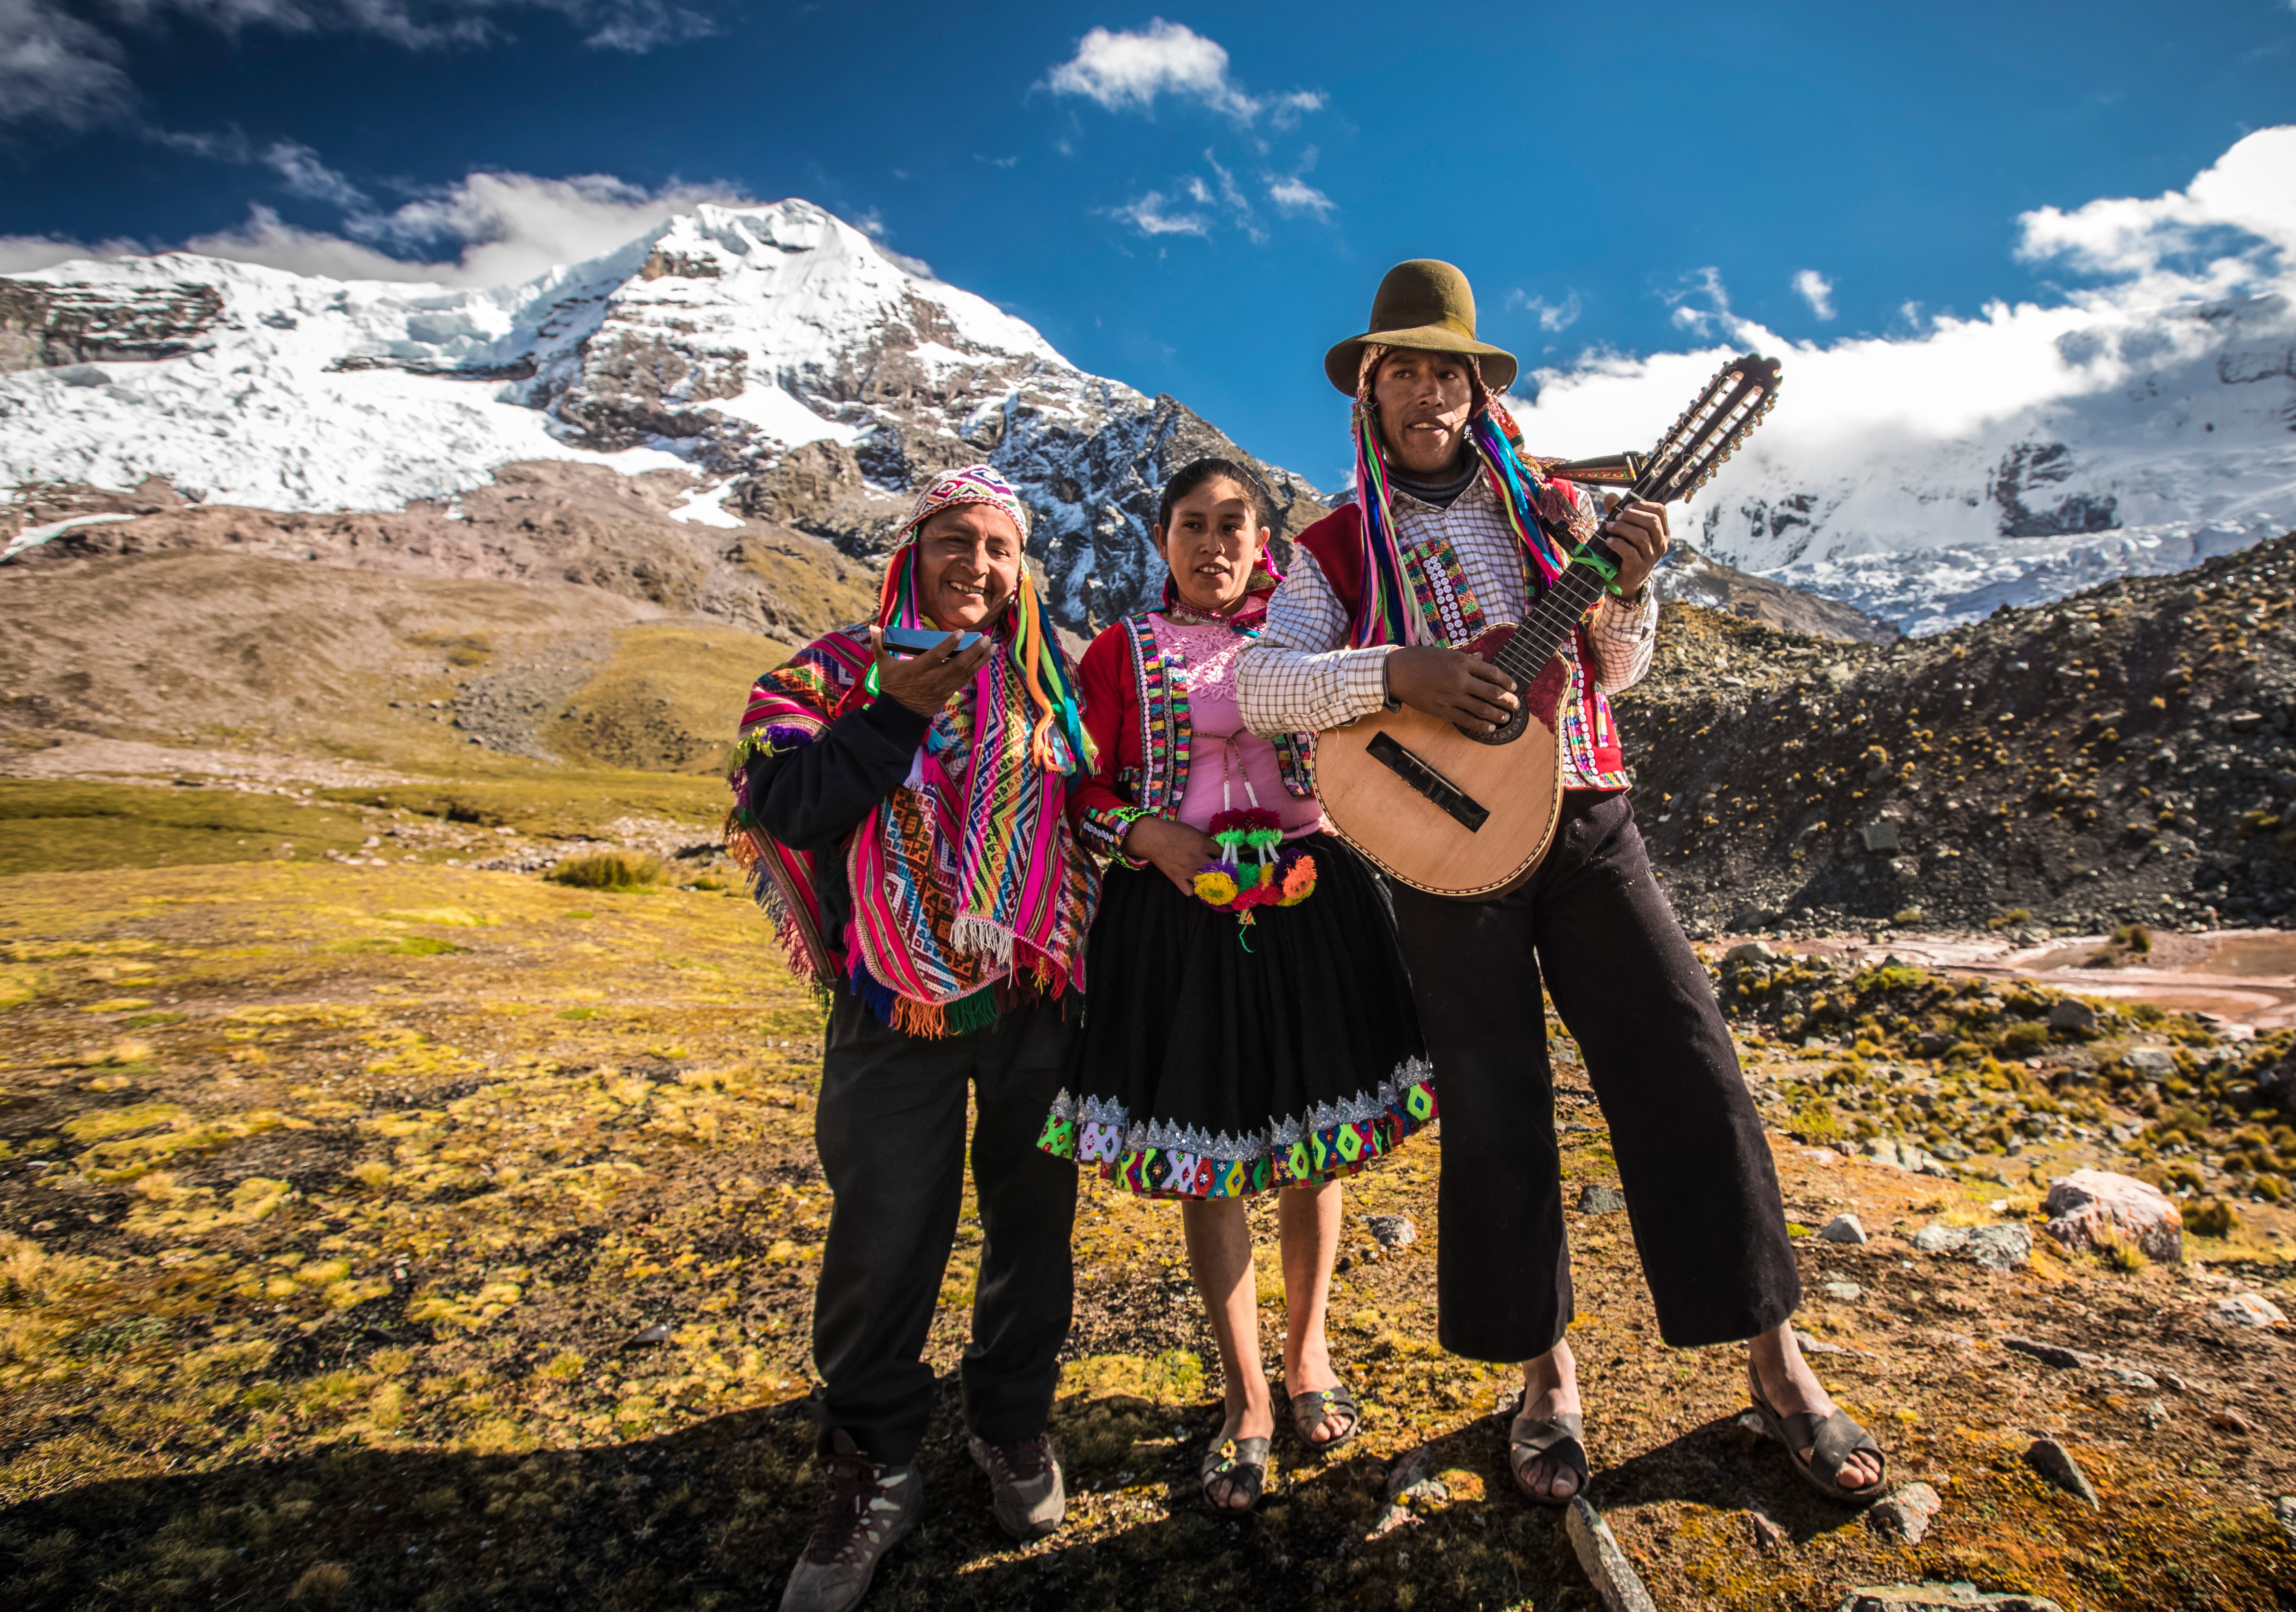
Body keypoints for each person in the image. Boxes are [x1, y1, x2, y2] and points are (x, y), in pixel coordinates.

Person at [1235, 261, 1886, 1511]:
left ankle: (1775, 1359)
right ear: (1369, 392)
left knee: (1691, 1066)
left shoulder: (1560, 513)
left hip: (1589, 820)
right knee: (1497, 1107)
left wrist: (1628, 586)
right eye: (1405, 371)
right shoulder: (1329, 547)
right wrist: (1401, 677)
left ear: (1480, 391)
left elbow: (1618, 669)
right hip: (1443, 859)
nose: (1430, 393)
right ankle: (1547, 1376)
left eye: (1451, 372)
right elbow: (1261, 687)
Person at [727, 465, 1105, 1612]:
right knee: (887, 1229)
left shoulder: (1058, 680)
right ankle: (874, 1464)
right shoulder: (832, 672)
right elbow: (780, 804)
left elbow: (1104, 807)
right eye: (955, 541)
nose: (977, 567)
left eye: (1000, 547)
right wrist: (895, 711)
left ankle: (1013, 1424)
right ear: (912, 550)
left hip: (1036, 995)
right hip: (890, 999)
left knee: (1033, 1225)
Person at [1039, 457, 1435, 1513]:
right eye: (1192, 526)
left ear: (1265, 542)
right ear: (1161, 540)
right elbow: (1080, 781)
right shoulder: (1123, 653)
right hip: (1176, 918)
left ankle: (1308, 1356)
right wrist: (1144, 831)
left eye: (1234, 526)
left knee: (1317, 1143)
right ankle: (1245, 1394)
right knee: (1212, 1163)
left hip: (1317, 907)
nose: (1214, 546)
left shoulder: (1307, 638)